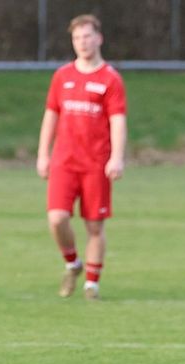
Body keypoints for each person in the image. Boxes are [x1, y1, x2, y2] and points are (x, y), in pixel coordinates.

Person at [36, 14, 127, 300]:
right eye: (77, 38)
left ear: (99, 38)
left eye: (87, 36)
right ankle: (72, 263)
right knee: (57, 218)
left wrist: (117, 157)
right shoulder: (62, 76)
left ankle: (91, 285)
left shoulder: (110, 79)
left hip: (96, 163)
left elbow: (118, 121)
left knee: (94, 226)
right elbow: (51, 116)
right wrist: (43, 154)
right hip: (64, 162)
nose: (82, 42)